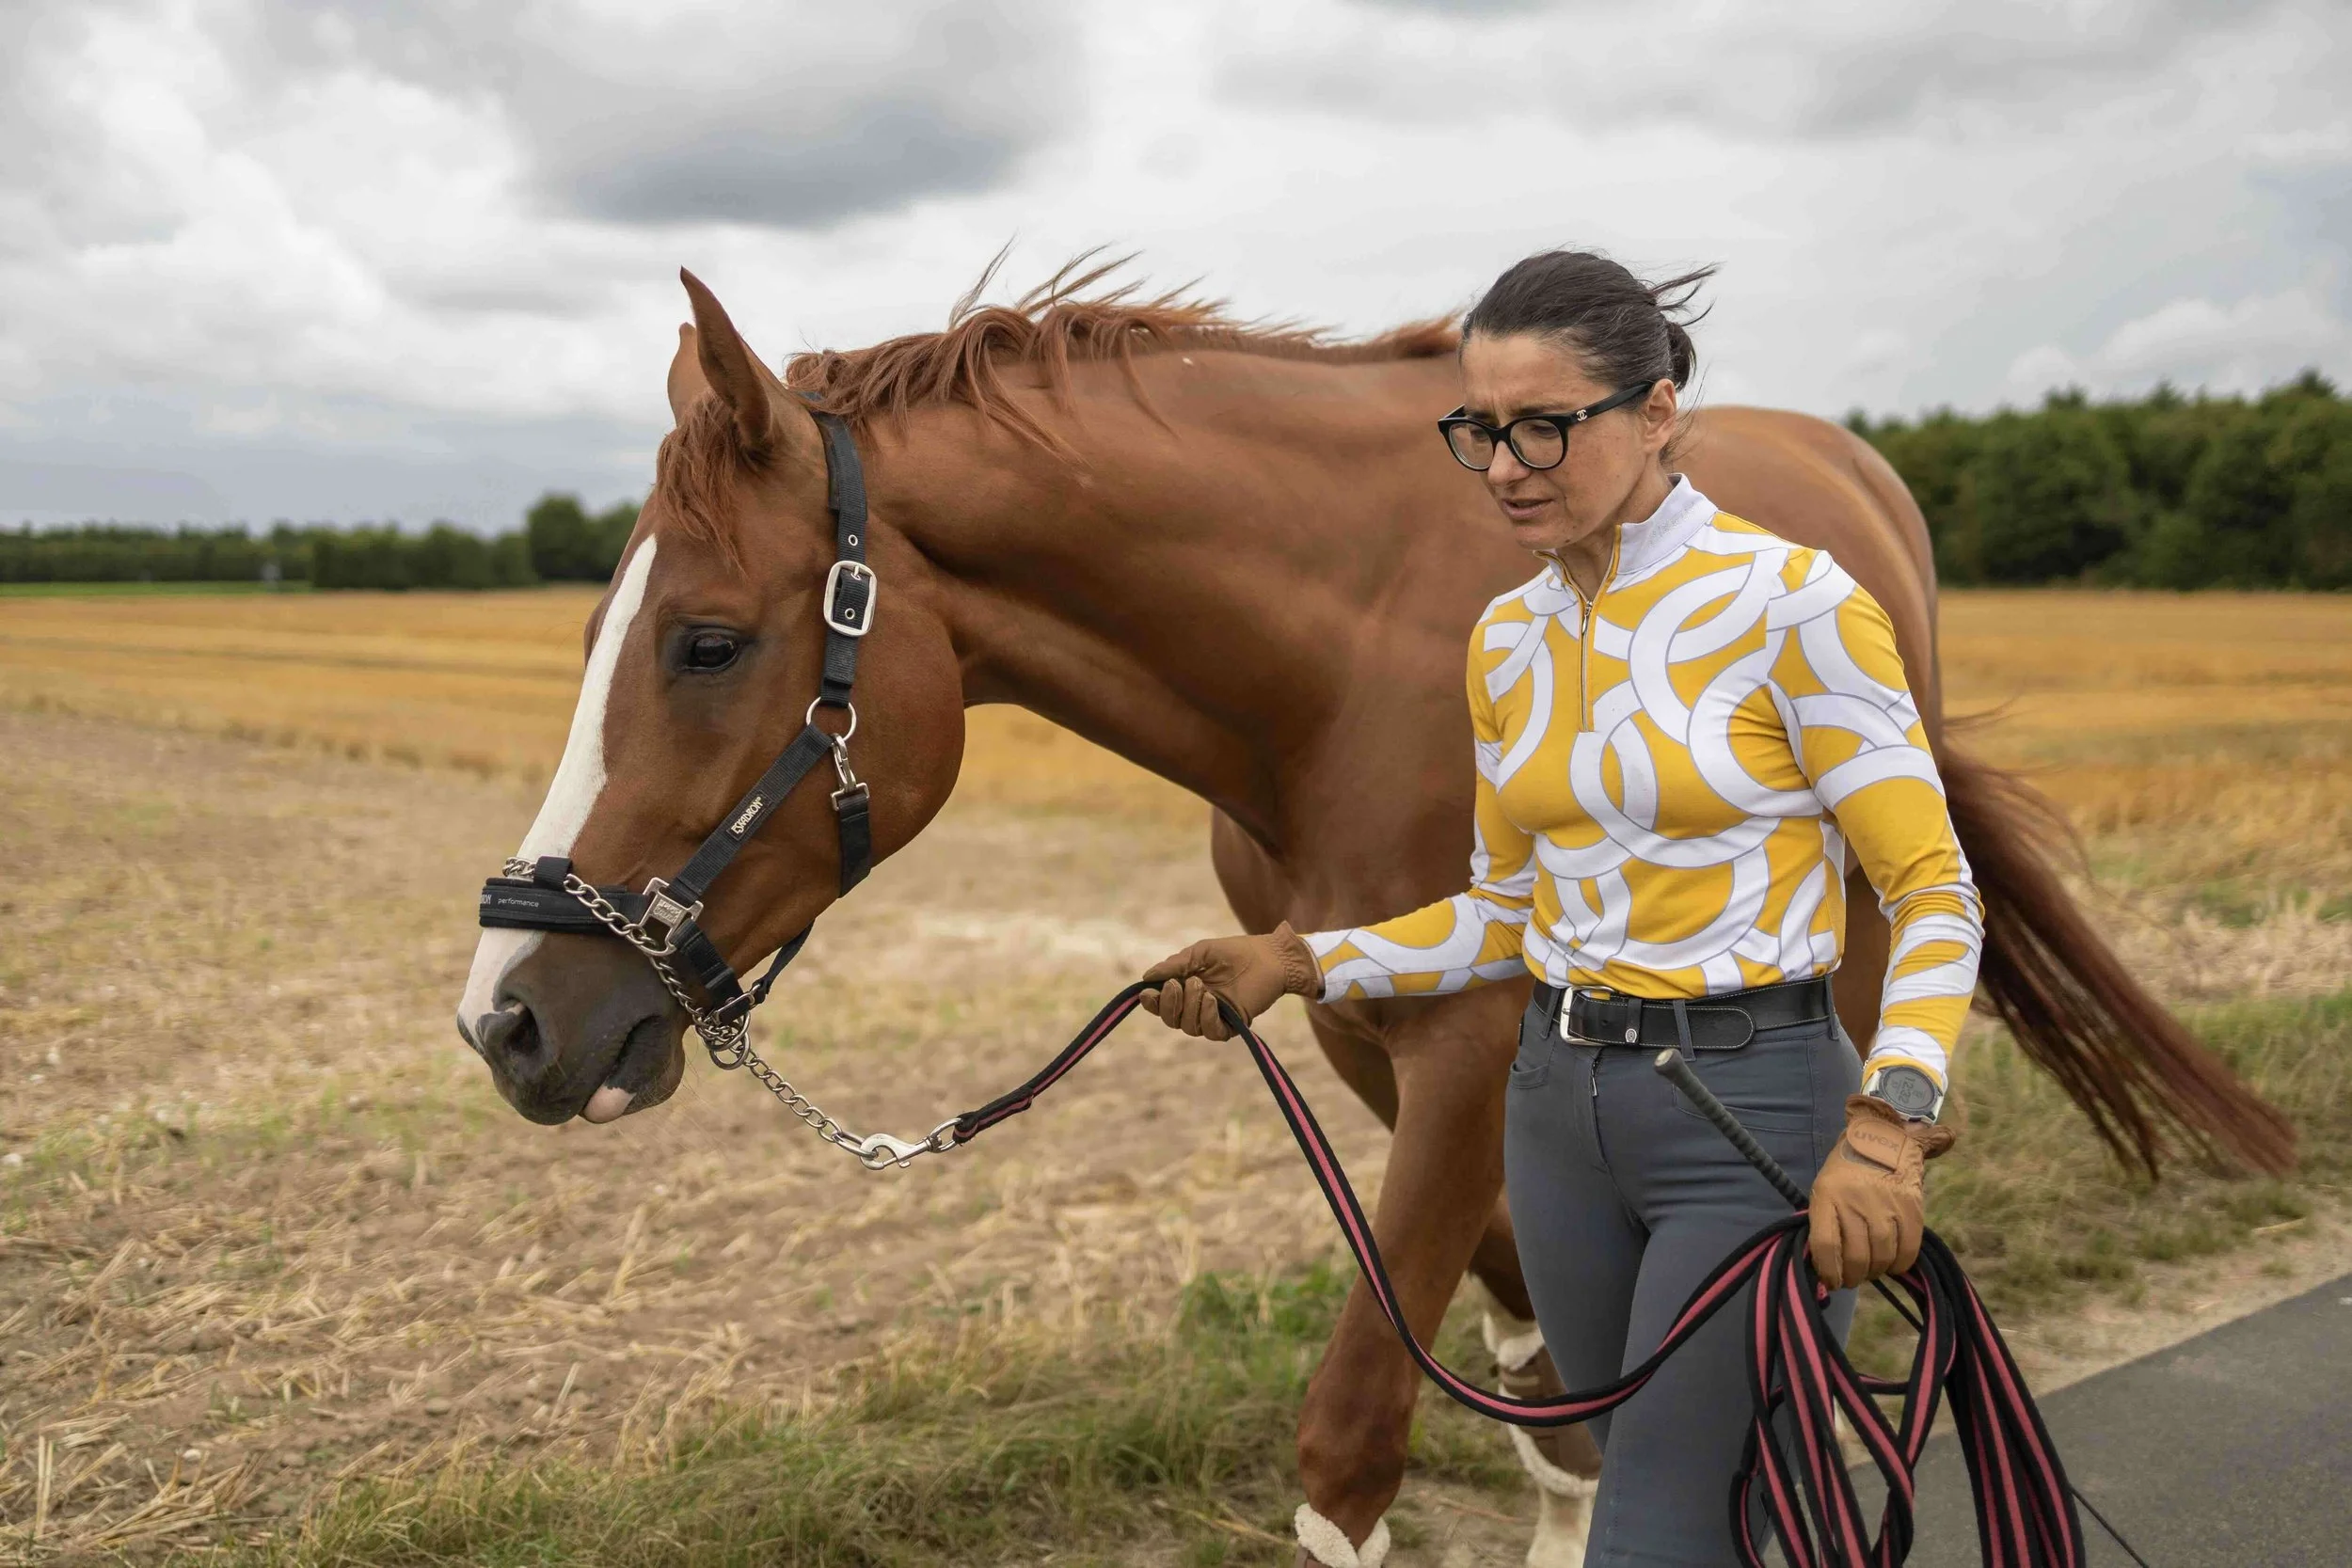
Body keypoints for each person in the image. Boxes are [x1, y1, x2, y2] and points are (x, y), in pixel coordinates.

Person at [1136, 250, 1978, 1568]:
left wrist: (1893, 1115)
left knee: (1650, 1529)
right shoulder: (1508, 639)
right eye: (1481, 428)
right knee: (1703, 1497)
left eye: (1548, 423)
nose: (1510, 461)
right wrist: (1298, 958)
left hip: (1750, 1114)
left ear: (1656, 413)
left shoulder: (1794, 605)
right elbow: (1507, 915)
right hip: (1563, 1121)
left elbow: (1933, 887)